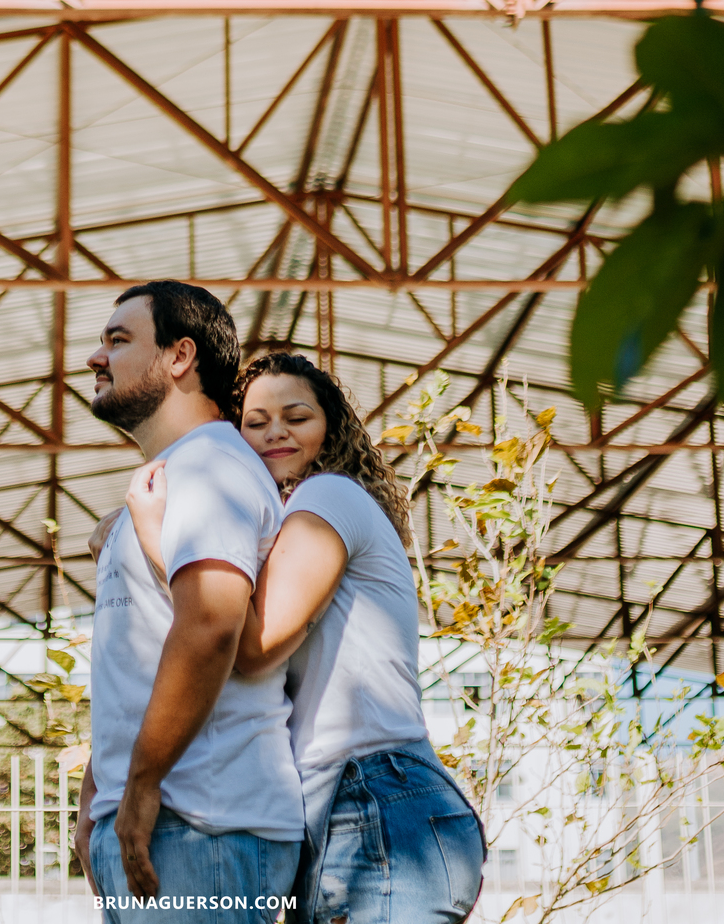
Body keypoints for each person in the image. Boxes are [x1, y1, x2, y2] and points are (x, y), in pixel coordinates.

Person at [125, 350, 485, 924]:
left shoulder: (329, 497)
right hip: (343, 812)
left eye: (296, 417)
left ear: (332, 427)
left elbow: (250, 646)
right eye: (256, 421)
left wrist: (154, 537)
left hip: (375, 799)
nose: (275, 434)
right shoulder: (282, 528)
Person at [76, 283, 304, 909]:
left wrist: (141, 790)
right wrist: (97, 803)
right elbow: (140, 653)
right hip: (160, 826)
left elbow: (209, 626)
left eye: (118, 341)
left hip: (203, 827)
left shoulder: (210, 468)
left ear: (179, 357)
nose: (96, 358)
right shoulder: (168, 481)